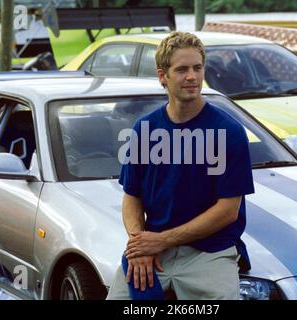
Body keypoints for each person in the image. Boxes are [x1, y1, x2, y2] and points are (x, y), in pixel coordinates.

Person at [107, 31, 255, 300]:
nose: (192, 77)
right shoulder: (145, 129)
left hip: (209, 253)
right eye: (182, 69)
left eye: (198, 68)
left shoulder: (227, 131)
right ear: (163, 76)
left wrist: (161, 240)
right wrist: (139, 244)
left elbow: (227, 211)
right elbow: (132, 198)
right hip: (154, 250)